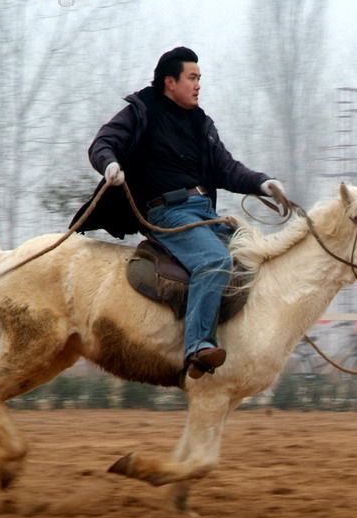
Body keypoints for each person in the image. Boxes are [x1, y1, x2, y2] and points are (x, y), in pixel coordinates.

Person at [72, 46, 286, 378]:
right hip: (167, 213)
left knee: (255, 258)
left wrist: (263, 183)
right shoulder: (141, 111)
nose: (198, 85)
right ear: (170, 82)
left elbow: (226, 168)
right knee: (214, 260)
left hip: (205, 212)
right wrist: (110, 164)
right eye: (192, 78)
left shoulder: (201, 123)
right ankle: (198, 346)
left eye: (200, 78)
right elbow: (102, 143)